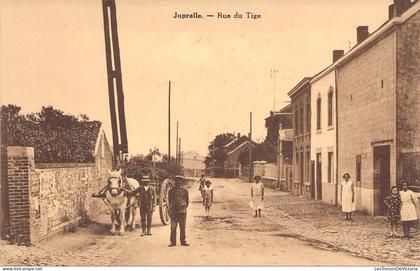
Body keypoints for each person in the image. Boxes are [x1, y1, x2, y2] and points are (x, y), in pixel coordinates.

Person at [168, 176, 190, 247]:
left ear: (181, 182)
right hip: (174, 211)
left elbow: (187, 201)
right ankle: (173, 242)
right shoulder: (171, 191)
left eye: (179, 181)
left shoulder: (185, 191)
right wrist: (171, 209)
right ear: (175, 182)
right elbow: (169, 201)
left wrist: (183, 207)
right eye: (176, 181)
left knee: (182, 227)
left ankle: (183, 241)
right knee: (173, 227)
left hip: (182, 211)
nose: (178, 183)